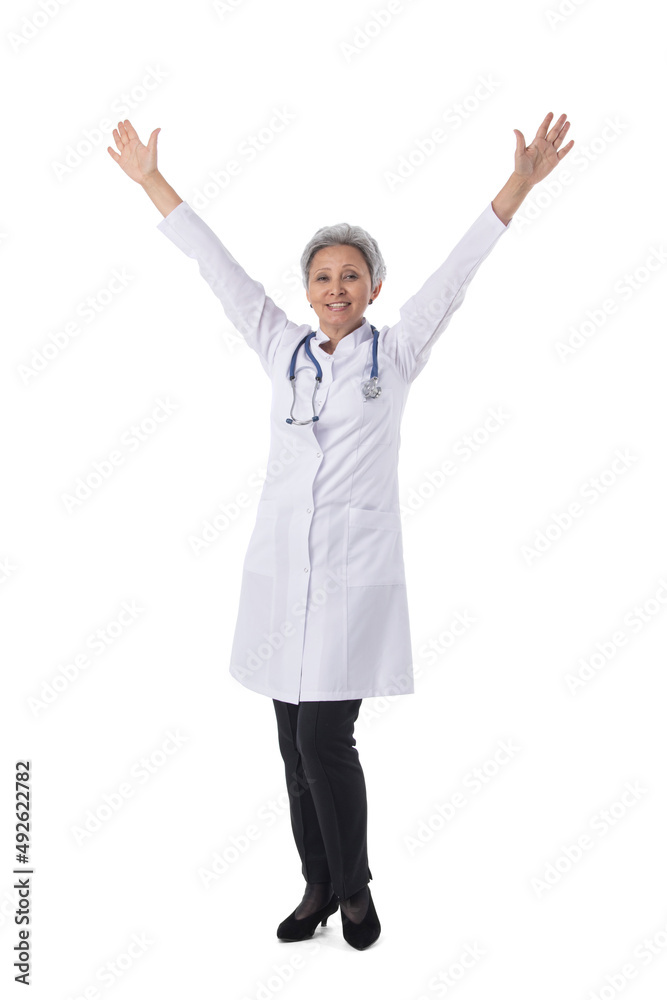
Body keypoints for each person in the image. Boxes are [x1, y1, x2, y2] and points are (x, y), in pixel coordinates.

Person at [107, 112, 574, 950]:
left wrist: (519, 183)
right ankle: (316, 884)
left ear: (374, 289)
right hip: (280, 575)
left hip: (351, 580)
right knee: (292, 750)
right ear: (307, 288)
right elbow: (217, 269)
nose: (334, 288)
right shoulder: (279, 347)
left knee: (326, 740)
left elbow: (458, 272)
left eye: (351, 276)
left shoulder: (393, 356)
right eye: (322, 276)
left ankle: (355, 892)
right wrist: (150, 181)